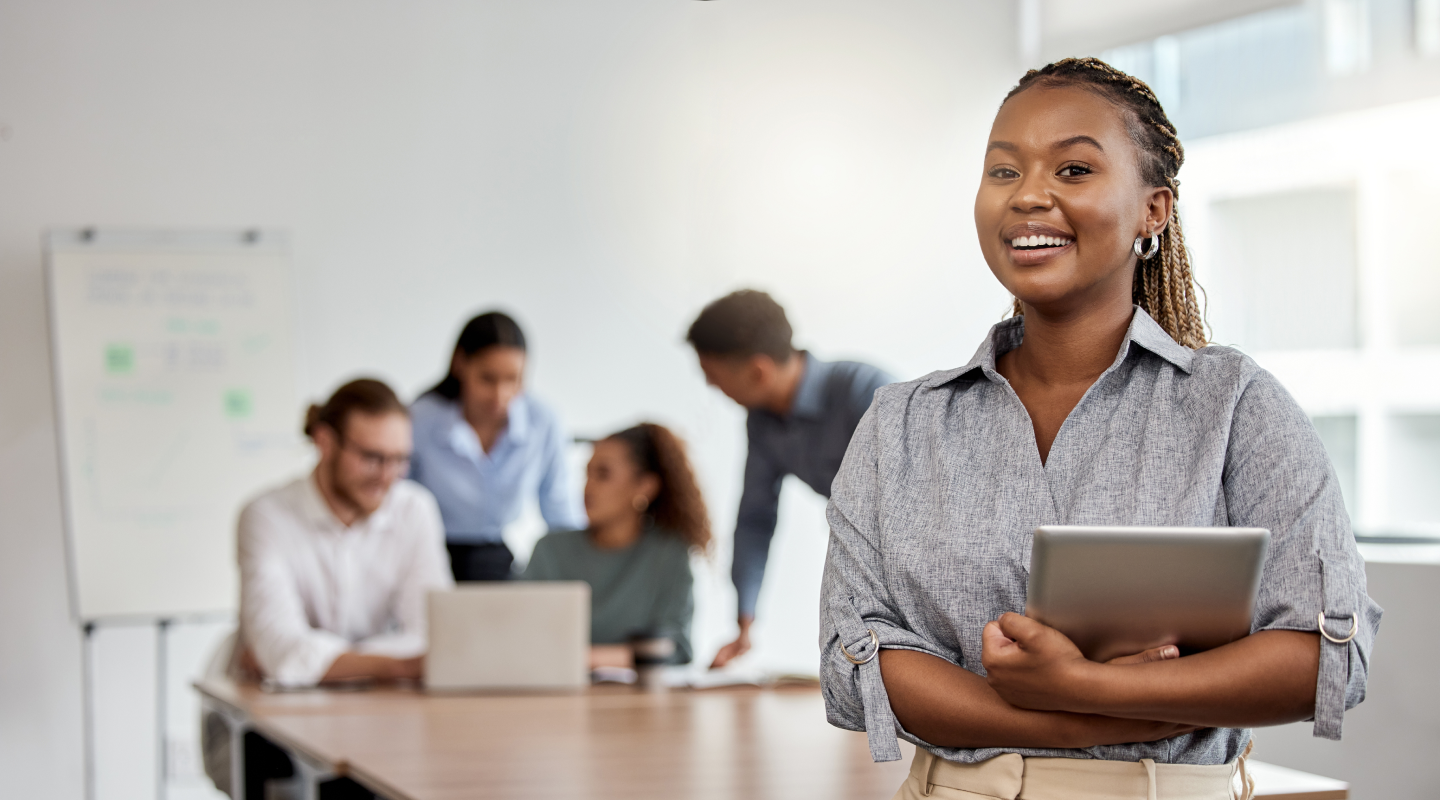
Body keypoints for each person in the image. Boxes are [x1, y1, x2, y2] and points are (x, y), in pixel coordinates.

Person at [820, 58, 1381, 800]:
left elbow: (1324, 656)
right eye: (1003, 171)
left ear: (1155, 210)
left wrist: (1076, 684)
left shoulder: (1236, 405)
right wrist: (1080, 714)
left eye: (1075, 169)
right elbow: (856, 662)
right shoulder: (901, 423)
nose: (1029, 196)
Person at [214, 378, 453, 800]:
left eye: (400, 461)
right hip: (268, 725)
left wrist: (324, 661)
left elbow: (435, 636)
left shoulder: (415, 510)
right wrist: (398, 665)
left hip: (374, 717)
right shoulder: (265, 516)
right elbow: (282, 649)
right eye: (373, 458)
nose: (387, 477)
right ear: (325, 442)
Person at [687, 290, 893, 668]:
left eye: (714, 376)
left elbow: (917, 502)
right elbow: (755, 518)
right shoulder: (762, 422)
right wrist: (745, 617)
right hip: (859, 565)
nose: (712, 387)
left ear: (758, 372)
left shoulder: (865, 391)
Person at [409, 311, 587, 582]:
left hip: (496, 559)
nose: (500, 395)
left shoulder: (543, 421)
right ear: (460, 365)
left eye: (513, 379)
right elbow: (397, 503)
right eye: (487, 379)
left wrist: (583, 571)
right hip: (427, 554)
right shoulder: (419, 419)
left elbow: (559, 509)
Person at [524, 423, 708, 667]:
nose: (588, 488)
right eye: (586, 474)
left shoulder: (668, 554)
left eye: (603, 475)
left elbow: (675, 647)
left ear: (645, 487)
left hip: (637, 702)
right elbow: (519, 635)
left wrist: (582, 659)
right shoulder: (550, 550)